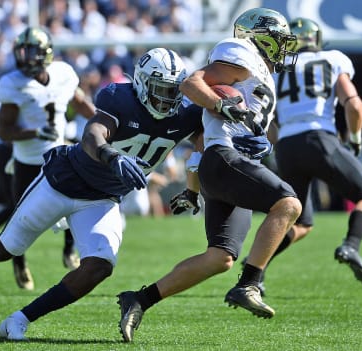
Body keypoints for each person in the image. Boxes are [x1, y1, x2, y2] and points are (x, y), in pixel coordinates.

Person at [0, 47, 230, 341]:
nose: (168, 99)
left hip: (103, 198)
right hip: (63, 181)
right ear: (143, 84)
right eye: (161, 90)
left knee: (100, 266)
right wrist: (111, 155)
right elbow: (92, 133)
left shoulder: (187, 114)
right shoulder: (119, 98)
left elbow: (203, 151)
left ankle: (20, 319)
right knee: (5, 248)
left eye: (174, 91)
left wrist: (194, 188)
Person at [116, 8, 301, 342]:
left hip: (226, 164)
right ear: (258, 36)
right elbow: (193, 84)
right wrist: (224, 107)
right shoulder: (241, 52)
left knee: (220, 258)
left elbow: (201, 138)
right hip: (226, 158)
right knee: (288, 204)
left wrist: (192, 187)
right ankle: (250, 284)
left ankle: (139, 300)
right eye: (278, 39)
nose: (283, 46)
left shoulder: (260, 74)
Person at [0, 26, 95, 289]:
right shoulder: (13, 84)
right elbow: (3, 130)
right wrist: (34, 132)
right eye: (22, 52)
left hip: (57, 156)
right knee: (19, 217)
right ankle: (19, 263)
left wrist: (102, 121)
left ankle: (70, 249)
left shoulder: (63, 74)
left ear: (46, 53)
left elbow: (80, 102)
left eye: (31, 52)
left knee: (75, 200)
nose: (25, 58)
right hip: (27, 160)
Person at [252, 18, 362, 292]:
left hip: (287, 147)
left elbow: (268, 122)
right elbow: (354, 104)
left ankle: (254, 270)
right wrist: (355, 139)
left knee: (300, 222)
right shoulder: (333, 59)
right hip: (320, 138)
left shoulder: (276, 70)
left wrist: (282, 146)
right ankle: (351, 246)